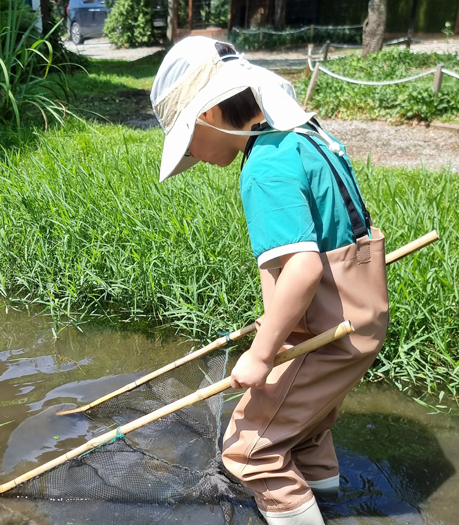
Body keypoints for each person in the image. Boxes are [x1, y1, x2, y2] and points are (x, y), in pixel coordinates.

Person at [150, 37, 389, 525]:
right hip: (357, 314)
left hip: (328, 333)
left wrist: (261, 356)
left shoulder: (264, 168)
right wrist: (273, 323)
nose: (192, 153)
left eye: (187, 136)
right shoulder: (304, 137)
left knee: (249, 450)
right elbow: (314, 247)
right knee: (304, 430)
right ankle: (327, 503)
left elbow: (302, 268)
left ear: (210, 112)